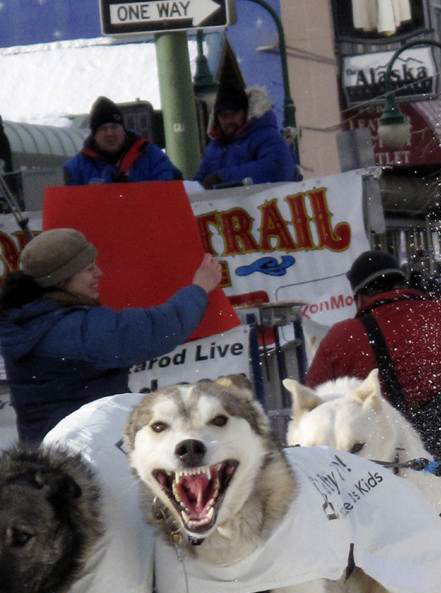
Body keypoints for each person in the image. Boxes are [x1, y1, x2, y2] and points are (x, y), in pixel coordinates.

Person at [0, 228, 222, 444]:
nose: (99, 273)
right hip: (81, 453)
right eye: (88, 269)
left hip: (51, 448)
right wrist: (199, 288)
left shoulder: (29, 319)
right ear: (61, 280)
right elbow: (155, 330)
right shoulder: (70, 330)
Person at [305, 250, 441, 461]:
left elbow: (313, 405)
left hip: (415, 458)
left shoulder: (345, 335)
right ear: (401, 282)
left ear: (360, 297)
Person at [194, 84, 298, 190]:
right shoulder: (214, 148)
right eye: (224, 116)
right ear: (217, 118)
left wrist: (223, 177)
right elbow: (200, 181)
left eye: (234, 114)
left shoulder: (265, 134)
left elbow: (279, 167)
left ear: (246, 113)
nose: (229, 121)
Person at [64, 97, 182, 185]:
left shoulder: (152, 157)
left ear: (123, 130)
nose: (110, 133)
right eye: (103, 129)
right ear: (94, 135)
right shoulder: (75, 168)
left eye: (114, 127)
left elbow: (168, 191)